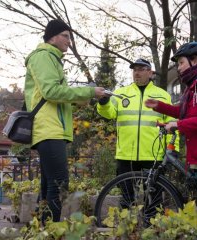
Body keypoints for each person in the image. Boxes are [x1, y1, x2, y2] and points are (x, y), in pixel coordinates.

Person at [24, 19, 106, 224]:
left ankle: (44, 232)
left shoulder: (52, 59)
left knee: (49, 184)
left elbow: (56, 98)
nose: (69, 41)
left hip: (52, 128)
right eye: (66, 36)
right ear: (52, 36)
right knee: (60, 182)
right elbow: (51, 92)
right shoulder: (43, 57)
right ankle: (52, 231)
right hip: (48, 129)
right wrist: (88, 91)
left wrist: (83, 100)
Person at [145, 42, 197, 213]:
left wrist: (179, 124)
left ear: (195, 60)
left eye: (181, 63)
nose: (179, 67)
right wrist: (159, 106)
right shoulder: (193, 87)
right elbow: (185, 113)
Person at [97, 58, 177, 215]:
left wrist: (172, 149)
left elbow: (173, 124)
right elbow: (108, 114)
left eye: (141, 69)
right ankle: (126, 232)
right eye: (135, 70)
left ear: (150, 72)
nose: (137, 73)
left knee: (153, 198)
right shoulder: (121, 93)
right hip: (127, 154)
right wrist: (104, 102)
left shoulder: (162, 95)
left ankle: (151, 231)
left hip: (153, 155)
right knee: (126, 199)